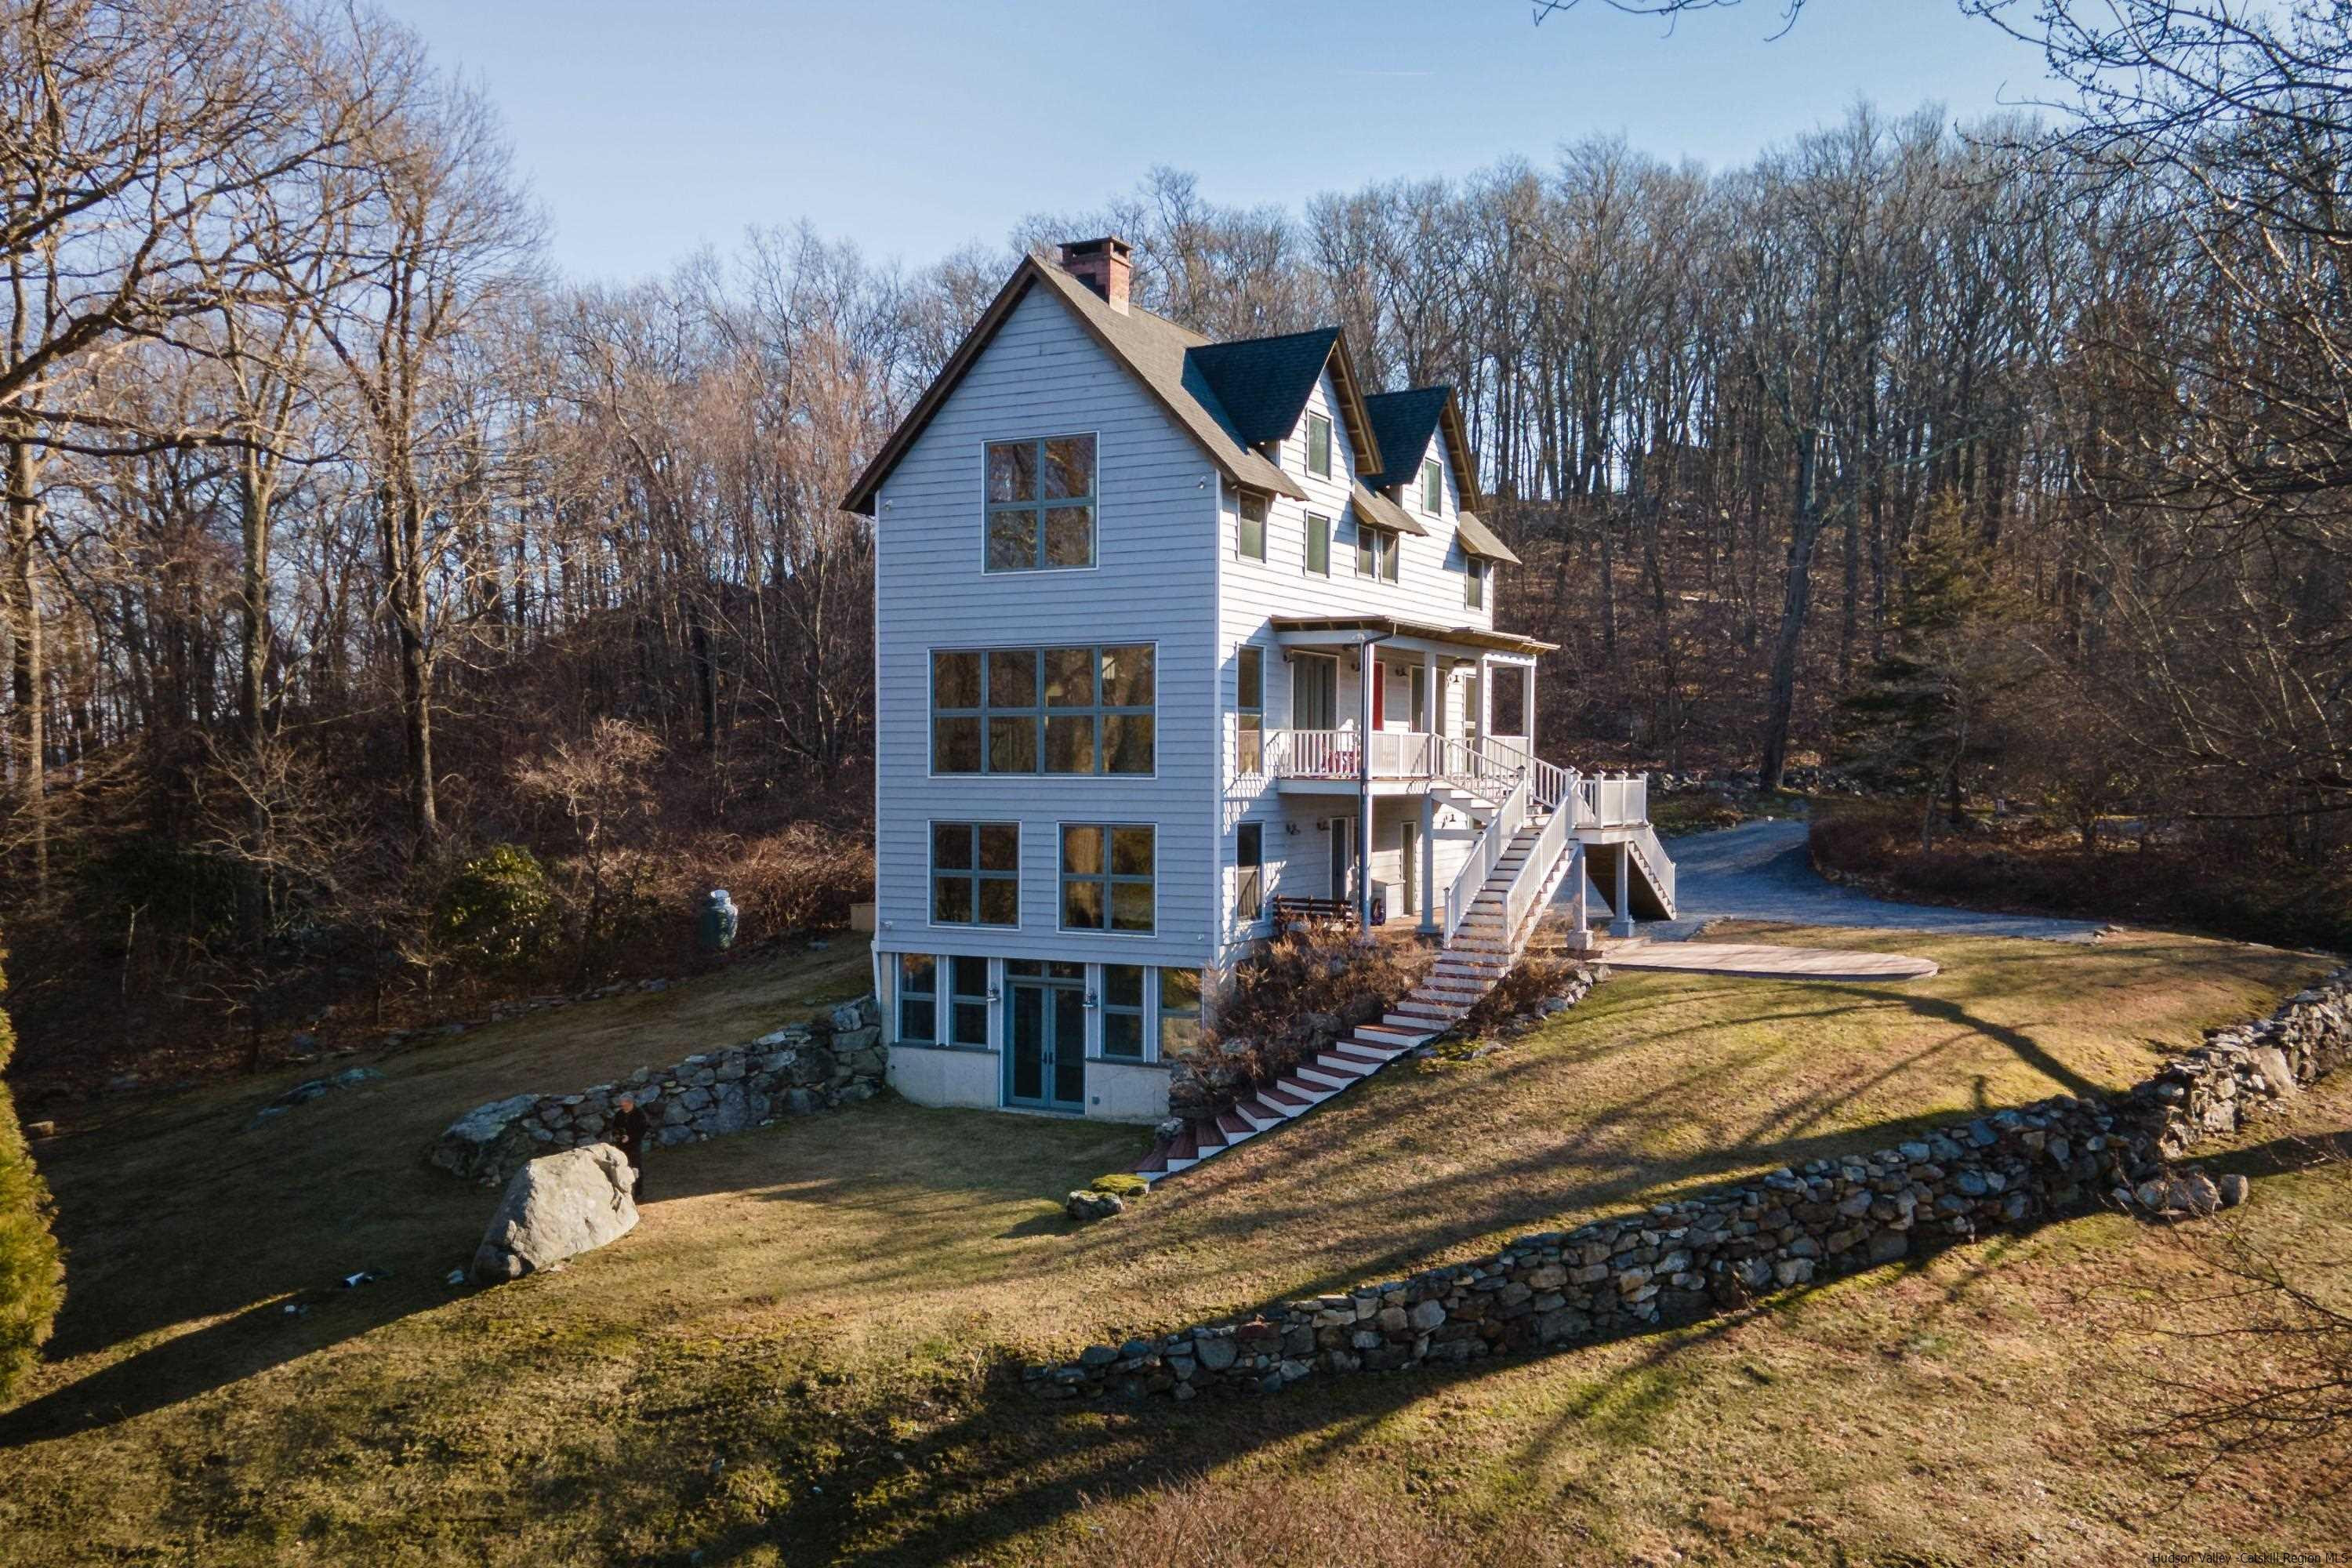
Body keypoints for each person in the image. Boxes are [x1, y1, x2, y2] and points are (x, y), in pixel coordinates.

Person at [612, 1094, 650, 1203]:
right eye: (622, 1105)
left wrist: (630, 1137)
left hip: (634, 1146)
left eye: (625, 1105)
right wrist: (618, 1136)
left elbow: (642, 1130)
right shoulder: (619, 1114)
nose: (623, 1107)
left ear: (631, 1103)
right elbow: (614, 1128)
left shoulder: (639, 1114)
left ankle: (638, 1193)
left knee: (636, 1168)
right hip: (621, 1146)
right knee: (621, 1167)